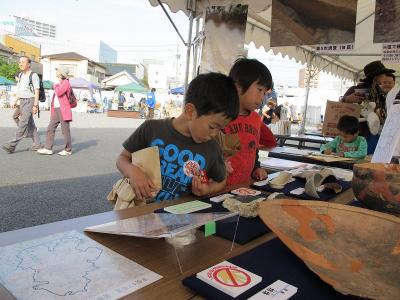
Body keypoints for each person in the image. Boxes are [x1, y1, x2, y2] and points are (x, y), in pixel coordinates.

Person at [116, 72, 239, 202]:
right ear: (190, 112)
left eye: (221, 129)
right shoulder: (151, 129)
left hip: (180, 218)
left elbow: (221, 180)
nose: (215, 134)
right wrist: (133, 172)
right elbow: (122, 159)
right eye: (213, 127)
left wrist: (207, 189)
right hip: (140, 211)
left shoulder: (212, 148)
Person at [224, 58, 273, 186]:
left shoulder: (256, 119)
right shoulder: (221, 116)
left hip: (244, 186)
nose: (262, 97)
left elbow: (253, 149)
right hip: (218, 188)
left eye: (264, 92)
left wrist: (256, 168)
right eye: (259, 90)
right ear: (238, 86)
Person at [340, 61, 395, 154]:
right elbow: (339, 106)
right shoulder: (356, 89)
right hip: (359, 133)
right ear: (375, 76)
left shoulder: (379, 92)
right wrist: (347, 99)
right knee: (357, 159)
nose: (384, 76)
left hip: (375, 134)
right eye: (382, 74)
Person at [2, 56, 41, 154]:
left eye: (23, 62)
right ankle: (37, 144)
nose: (20, 64)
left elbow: (37, 91)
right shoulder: (20, 75)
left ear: (29, 64)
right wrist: (15, 100)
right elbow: (20, 90)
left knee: (23, 123)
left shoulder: (33, 75)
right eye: (20, 62)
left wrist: (35, 105)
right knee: (28, 123)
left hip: (30, 100)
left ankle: (12, 145)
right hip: (22, 101)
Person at [37, 66, 73, 156]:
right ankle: (48, 148)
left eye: (58, 70)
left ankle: (68, 149)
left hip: (63, 109)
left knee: (65, 130)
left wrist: (55, 85)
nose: (56, 71)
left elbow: (60, 92)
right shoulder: (60, 83)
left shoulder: (65, 82)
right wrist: (56, 85)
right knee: (50, 128)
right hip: (57, 109)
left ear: (62, 73)